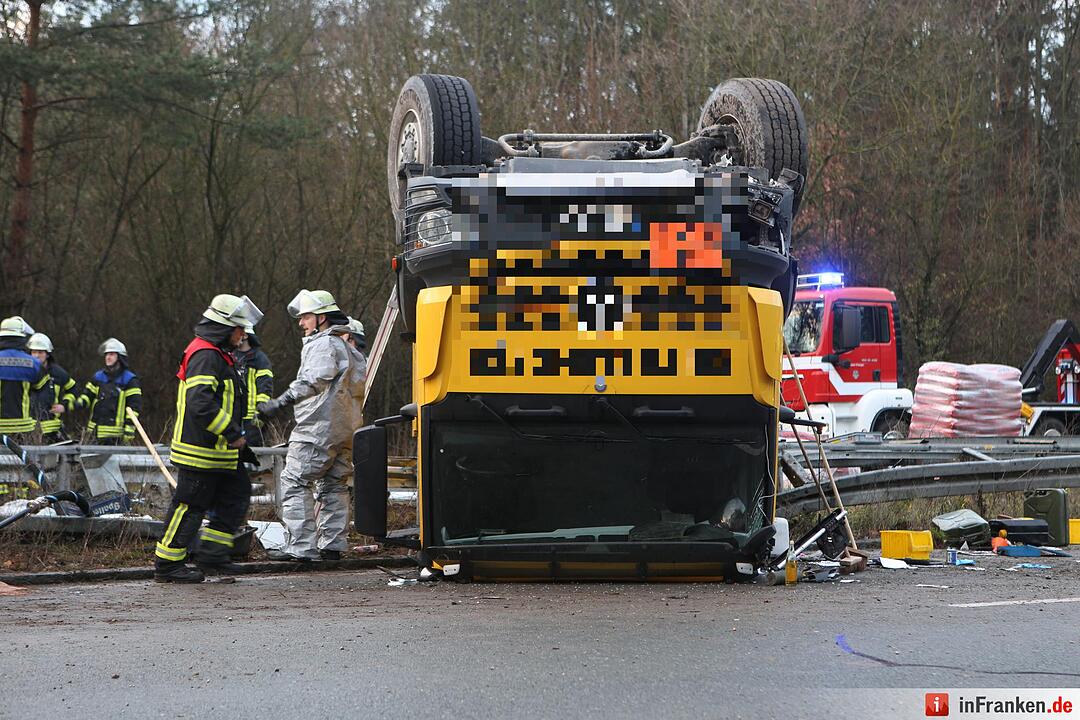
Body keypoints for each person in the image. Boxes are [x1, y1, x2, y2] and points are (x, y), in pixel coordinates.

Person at [153, 294, 263, 583]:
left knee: (236, 495)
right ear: (224, 327)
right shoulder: (205, 355)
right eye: (240, 329)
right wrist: (232, 433)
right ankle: (167, 564)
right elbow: (200, 403)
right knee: (190, 505)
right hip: (200, 451)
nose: (243, 335)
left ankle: (213, 555)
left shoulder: (218, 353)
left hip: (220, 452)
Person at [257, 290, 366, 561]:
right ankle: (333, 546)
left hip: (318, 428)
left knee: (294, 481)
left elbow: (313, 381)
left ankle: (301, 547)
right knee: (334, 485)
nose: (301, 322)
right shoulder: (349, 349)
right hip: (347, 428)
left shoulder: (323, 345)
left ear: (321, 318)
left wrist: (280, 402)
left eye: (305, 316)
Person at [77, 339, 141, 445]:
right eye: (106, 354)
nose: (108, 357)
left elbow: (134, 407)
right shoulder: (98, 377)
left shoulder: (130, 380)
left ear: (120, 357)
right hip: (94, 434)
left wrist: (129, 431)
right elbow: (87, 397)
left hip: (116, 437)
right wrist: (76, 403)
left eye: (111, 354)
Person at [0, 317, 50, 441]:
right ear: (21, 338)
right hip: (22, 428)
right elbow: (41, 388)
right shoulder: (33, 363)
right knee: (20, 460)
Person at [27, 333, 77, 442]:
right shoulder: (24, 372)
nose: (36, 356)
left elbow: (73, 390)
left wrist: (64, 405)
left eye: (40, 352)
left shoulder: (59, 373)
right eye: (34, 352)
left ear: (48, 354)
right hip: (28, 429)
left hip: (52, 430)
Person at [232, 325, 273, 446]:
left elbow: (265, 390)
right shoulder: (230, 356)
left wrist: (259, 416)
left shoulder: (259, 360)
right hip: (232, 416)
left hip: (252, 418)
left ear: (245, 335)